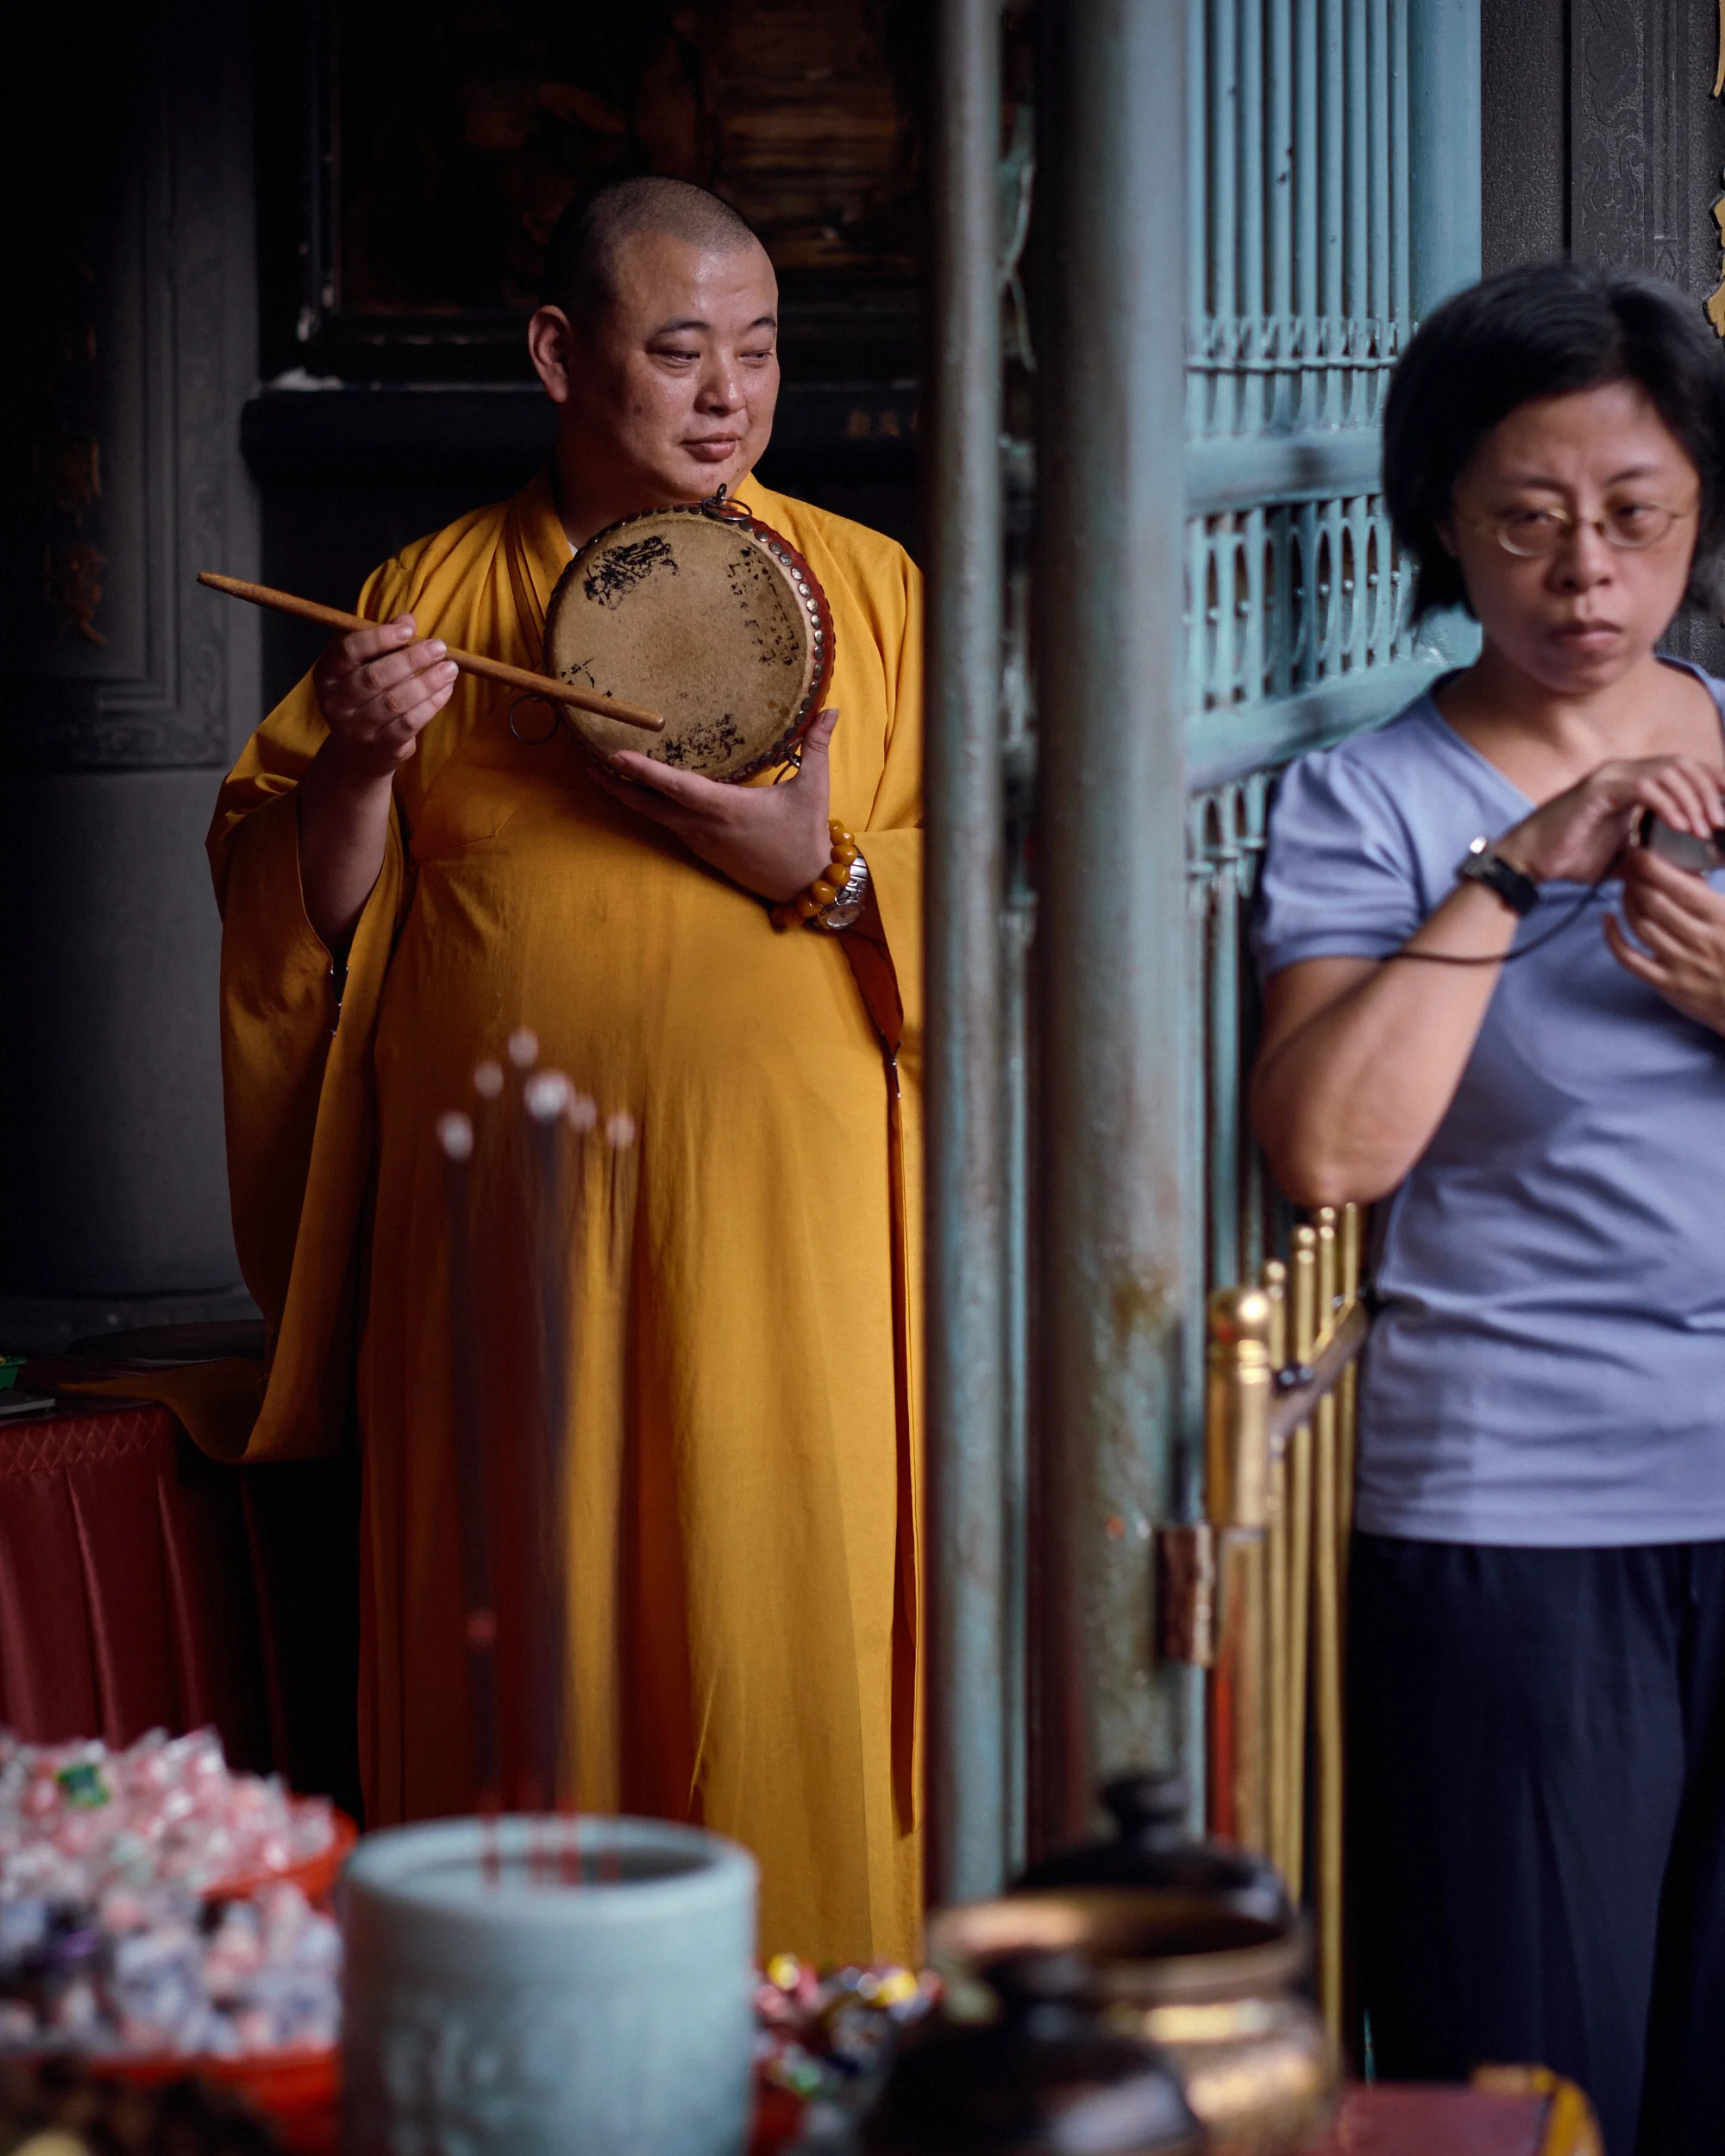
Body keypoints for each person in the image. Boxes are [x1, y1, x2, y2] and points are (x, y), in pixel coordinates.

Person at [207, 179, 924, 1965]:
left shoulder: (870, 588)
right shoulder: (429, 591)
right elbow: (304, 921)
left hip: (792, 1247)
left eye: (756, 351)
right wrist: (361, 762)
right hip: (508, 1256)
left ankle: (812, 2051)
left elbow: (994, 898)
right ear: (558, 353)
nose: (727, 395)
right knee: (521, 1647)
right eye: (678, 349)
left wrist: (813, 864)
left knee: (785, 1635)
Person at [1250, 261, 1725, 2156]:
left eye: (1635, 518)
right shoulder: (1366, 803)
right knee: (1540, 2083)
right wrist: (1512, 870)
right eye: (1527, 523)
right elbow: (1328, 1149)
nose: (1586, 575)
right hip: (1514, 1524)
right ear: (1442, 516)